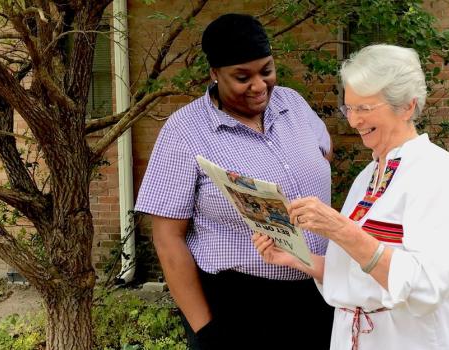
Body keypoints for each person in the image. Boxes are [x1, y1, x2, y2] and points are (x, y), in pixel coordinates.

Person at [253, 44, 449, 350]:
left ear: (407, 107)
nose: (353, 121)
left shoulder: (435, 169)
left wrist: (341, 229)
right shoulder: (368, 176)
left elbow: (429, 284)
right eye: (349, 108)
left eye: (365, 108)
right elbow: (355, 272)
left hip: (415, 340)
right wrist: (294, 257)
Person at [135, 13, 334, 350]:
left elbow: (325, 154)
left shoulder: (294, 104)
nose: (258, 86)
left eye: (266, 71)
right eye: (242, 77)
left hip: (322, 292)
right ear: (214, 74)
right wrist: (206, 330)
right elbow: (168, 238)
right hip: (239, 306)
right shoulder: (184, 132)